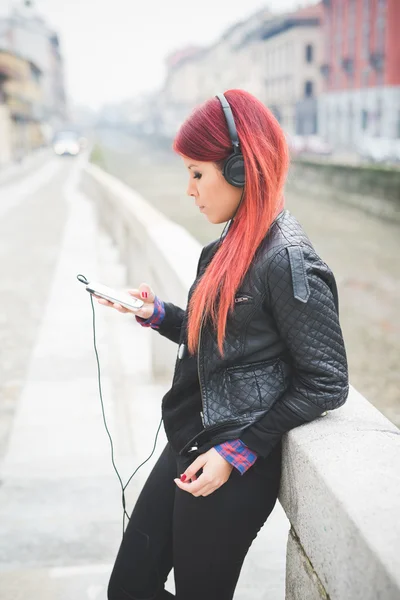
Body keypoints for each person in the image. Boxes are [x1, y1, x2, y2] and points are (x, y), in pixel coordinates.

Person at [96, 89, 349, 600]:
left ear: (240, 168)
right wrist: (155, 313)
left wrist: (236, 452)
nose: (189, 190)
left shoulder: (288, 260)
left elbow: (327, 381)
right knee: (128, 587)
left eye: (196, 173)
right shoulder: (231, 246)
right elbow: (227, 338)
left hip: (231, 459)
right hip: (194, 434)